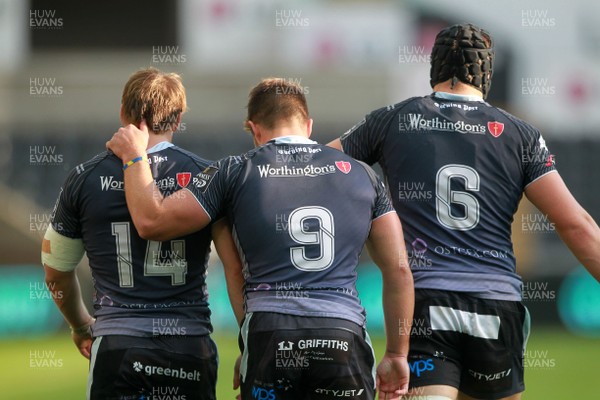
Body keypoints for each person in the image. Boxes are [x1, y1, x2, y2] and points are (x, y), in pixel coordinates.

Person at [328, 22, 600, 400]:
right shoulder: (520, 134)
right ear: (486, 73)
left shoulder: (392, 120)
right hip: (495, 305)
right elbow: (577, 224)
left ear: (434, 69)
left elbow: (321, 170)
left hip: (423, 303)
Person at [106, 77, 415, 400]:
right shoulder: (362, 174)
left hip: (269, 332)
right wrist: (396, 353)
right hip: (342, 331)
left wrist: (134, 157)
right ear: (308, 125)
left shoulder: (234, 171)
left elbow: (151, 222)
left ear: (254, 129)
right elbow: (399, 270)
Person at [41, 67, 244, 400]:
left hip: (118, 345)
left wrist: (79, 326)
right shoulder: (207, 176)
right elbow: (235, 269)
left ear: (123, 113)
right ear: (178, 120)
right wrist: (247, 344)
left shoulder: (82, 178)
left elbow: (55, 272)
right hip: (189, 344)